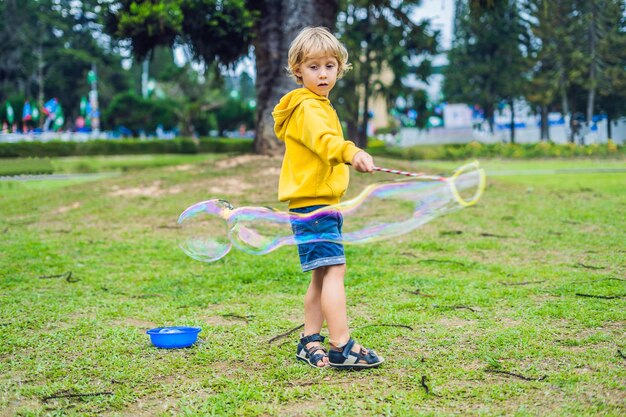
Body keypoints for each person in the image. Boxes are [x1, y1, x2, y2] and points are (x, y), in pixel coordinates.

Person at [272, 26, 384, 369]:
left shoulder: (316, 104)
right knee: (335, 269)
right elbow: (324, 141)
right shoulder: (308, 108)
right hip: (314, 204)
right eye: (313, 66)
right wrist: (351, 152)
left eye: (329, 66)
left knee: (321, 274)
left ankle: (309, 340)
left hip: (318, 203)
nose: (323, 74)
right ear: (298, 71)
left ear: (340, 68)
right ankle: (341, 344)